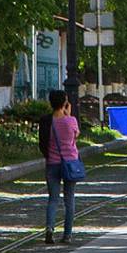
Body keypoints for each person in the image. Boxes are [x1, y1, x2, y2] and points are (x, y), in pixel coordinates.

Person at [39, 88, 80, 244]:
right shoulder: (71, 121)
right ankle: (67, 235)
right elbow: (75, 136)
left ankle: (49, 228)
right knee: (69, 199)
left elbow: (42, 142)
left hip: (52, 163)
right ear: (65, 102)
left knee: (53, 199)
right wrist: (68, 115)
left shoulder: (46, 121)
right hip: (70, 163)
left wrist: (49, 155)